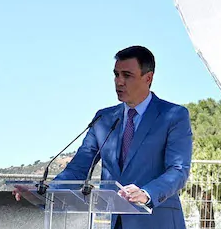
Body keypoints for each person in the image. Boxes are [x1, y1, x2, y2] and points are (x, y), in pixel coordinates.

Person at [32, 46, 193, 228]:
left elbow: (178, 170)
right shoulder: (103, 119)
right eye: (116, 74)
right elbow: (79, 167)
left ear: (148, 78)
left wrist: (146, 193)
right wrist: (46, 192)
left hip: (157, 221)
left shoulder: (173, 115)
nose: (119, 82)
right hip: (113, 222)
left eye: (127, 75)